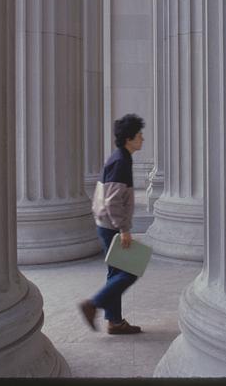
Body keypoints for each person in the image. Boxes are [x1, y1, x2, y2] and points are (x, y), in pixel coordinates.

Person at [79, 113, 145, 334]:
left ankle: (114, 322)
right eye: (139, 135)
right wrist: (123, 229)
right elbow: (113, 201)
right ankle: (93, 304)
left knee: (115, 273)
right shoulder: (121, 162)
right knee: (129, 272)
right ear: (129, 139)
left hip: (106, 224)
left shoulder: (121, 157)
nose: (142, 138)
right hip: (111, 226)